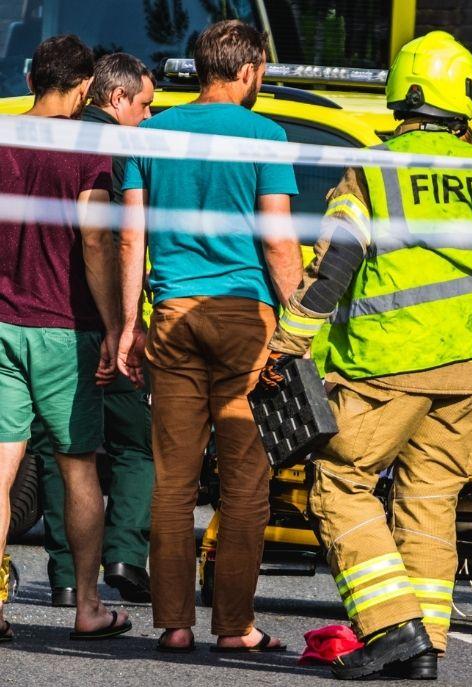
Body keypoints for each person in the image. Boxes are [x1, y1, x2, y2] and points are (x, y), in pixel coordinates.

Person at [261, 30, 472, 680]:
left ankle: (390, 627)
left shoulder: (375, 169)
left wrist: (286, 344)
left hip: (387, 364)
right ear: (466, 96)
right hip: (469, 367)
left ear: (400, 93)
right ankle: (425, 645)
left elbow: (332, 269)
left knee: (339, 485)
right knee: (430, 500)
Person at [117, 20, 301, 653]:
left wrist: (127, 323)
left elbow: (130, 235)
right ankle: (235, 626)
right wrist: (299, 317)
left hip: (171, 314)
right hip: (244, 318)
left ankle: (172, 623)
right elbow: (278, 243)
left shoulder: (152, 133)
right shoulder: (268, 137)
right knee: (245, 481)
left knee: (173, 478)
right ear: (247, 71)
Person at [0, 34, 131, 641]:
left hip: (2, 325)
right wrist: (114, 327)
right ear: (84, 89)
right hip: (63, 330)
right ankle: (86, 607)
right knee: (79, 467)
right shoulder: (88, 144)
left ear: (32, 81)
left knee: (0, 471)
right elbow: (97, 238)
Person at [32, 51, 157, 608]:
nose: (150, 121)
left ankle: (63, 576)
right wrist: (121, 328)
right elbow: (108, 240)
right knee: (136, 442)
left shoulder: (30, 135)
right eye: (146, 107)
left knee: (57, 448)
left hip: (29, 321)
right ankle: (123, 552)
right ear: (112, 97)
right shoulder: (111, 150)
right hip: (88, 325)